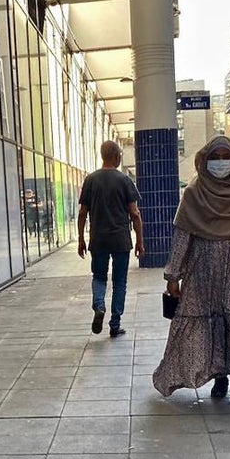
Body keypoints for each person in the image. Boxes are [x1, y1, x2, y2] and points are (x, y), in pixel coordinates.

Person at [153, 136, 230, 406]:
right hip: (202, 267)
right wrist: (173, 276)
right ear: (204, 161)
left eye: (225, 157)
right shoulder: (193, 193)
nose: (220, 163)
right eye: (214, 158)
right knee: (210, 323)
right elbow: (182, 235)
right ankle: (220, 375)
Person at [77, 140, 143, 338]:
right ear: (117, 156)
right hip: (121, 240)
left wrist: (81, 238)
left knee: (98, 277)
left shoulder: (90, 180)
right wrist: (140, 240)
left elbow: (82, 213)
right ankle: (115, 324)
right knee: (119, 281)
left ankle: (99, 306)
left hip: (98, 239)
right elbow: (135, 213)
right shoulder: (124, 180)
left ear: (102, 155)